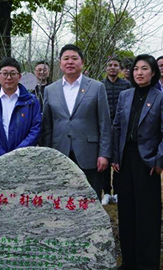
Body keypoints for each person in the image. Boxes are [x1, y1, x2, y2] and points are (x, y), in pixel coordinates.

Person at [111, 54, 163, 270]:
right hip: (125, 159)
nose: (139, 73)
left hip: (147, 160)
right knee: (126, 210)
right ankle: (129, 260)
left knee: (147, 213)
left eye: (144, 68)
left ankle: (148, 265)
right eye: (136, 69)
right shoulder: (125, 95)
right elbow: (117, 127)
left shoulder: (160, 98)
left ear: (153, 72)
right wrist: (115, 157)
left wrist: (158, 160)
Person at [40, 44, 111, 197]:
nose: (70, 62)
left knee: (90, 198)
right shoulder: (50, 90)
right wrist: (46, 154)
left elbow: (104, 124)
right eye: (66, 58)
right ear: (60, 63)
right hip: (59, 152)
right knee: (61, 197)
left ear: (82, 62)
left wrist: (104, 154)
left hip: (89, 153)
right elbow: (47, 126)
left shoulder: (97, 87)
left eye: (74, 58)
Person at [0, 58, 41, 163]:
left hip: (24, 160)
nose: (9, 77)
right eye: (5, 74)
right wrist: (2, 158)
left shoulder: (31, 101)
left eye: (13, 74)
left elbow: (35, 129)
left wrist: (17, 155)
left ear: (19, 77)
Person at [102, 56, 131, 205]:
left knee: (120, 160)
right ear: (106, 68)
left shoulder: (126, 85)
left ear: (120, 68)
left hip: (121, 128)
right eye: (110, 65)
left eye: (115, 65)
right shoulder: (100, 85)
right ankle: (106, 192)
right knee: (105, 160)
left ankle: (118, 192)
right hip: (105, 127)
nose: (112, 68)